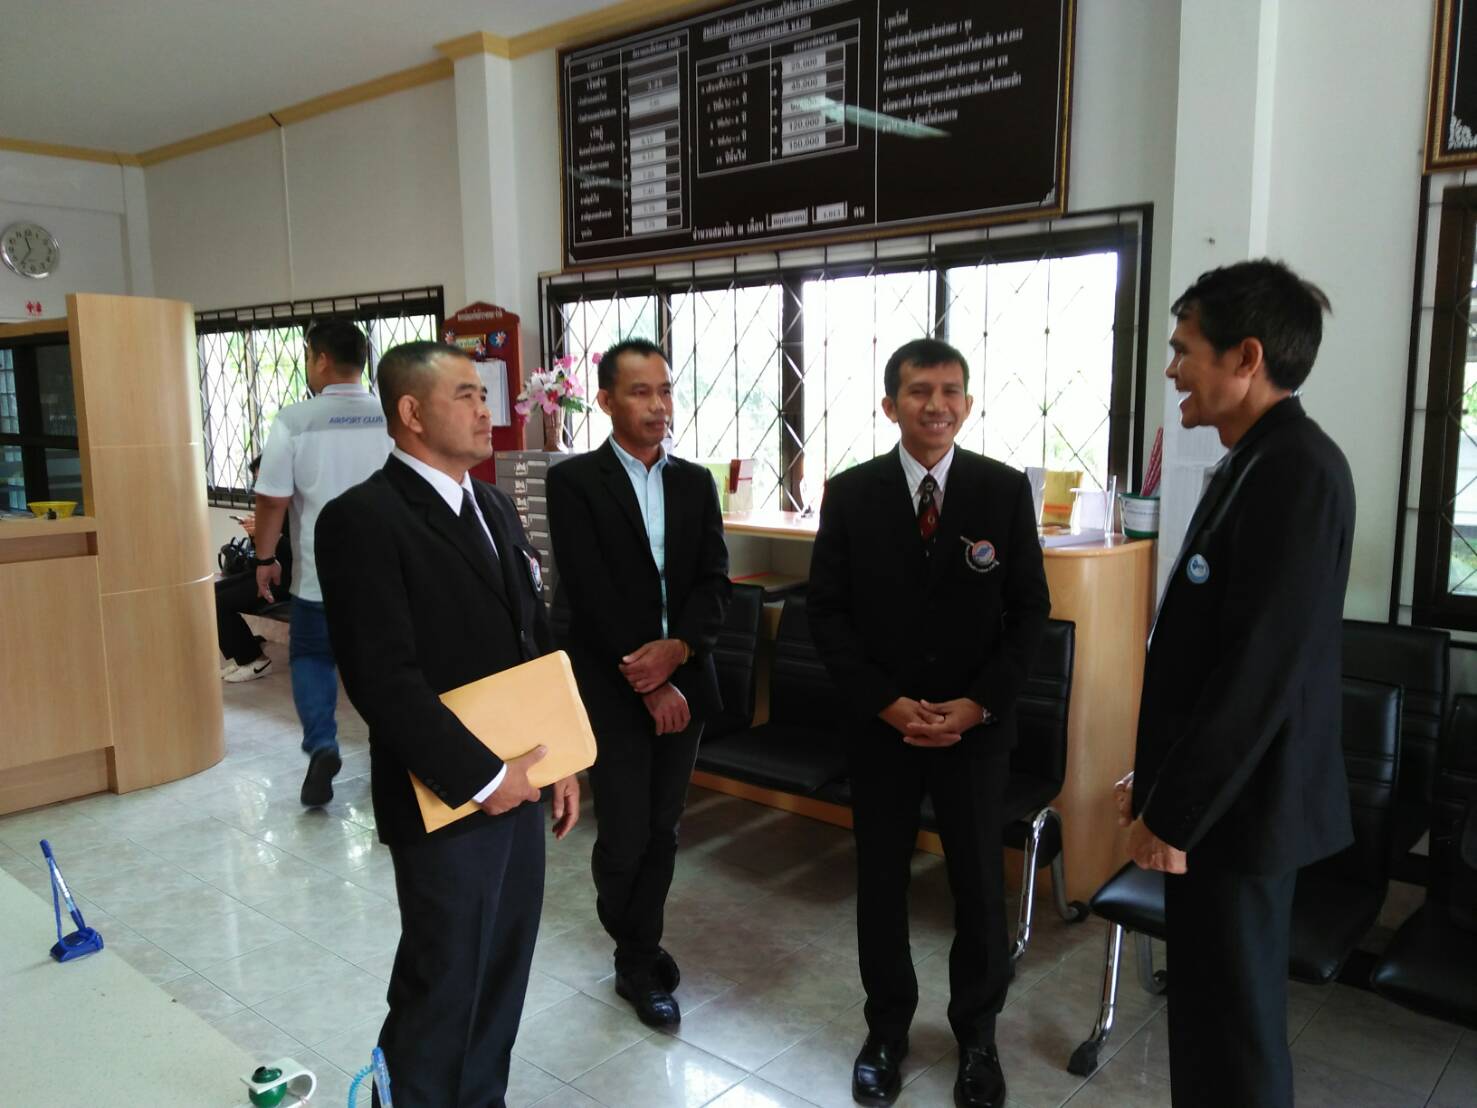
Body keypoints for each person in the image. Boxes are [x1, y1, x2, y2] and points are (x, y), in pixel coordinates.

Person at [315, 340, 580, 1107]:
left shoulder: (492, 505)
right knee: (442, 982)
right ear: (410, 411)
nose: (485, 409)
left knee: (501, 971)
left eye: (484, 394)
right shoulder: (362, 519)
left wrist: (560, 755)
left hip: (521, 780)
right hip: (445, 793)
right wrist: (485, 780)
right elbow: (383, 680)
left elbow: (534, 639)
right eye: (465, 395)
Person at [1118, 259, 1355, 1107]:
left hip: (1239, 812)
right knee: (1208, 1022)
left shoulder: (1296, 470)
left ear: (1245, 356)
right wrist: (1157, 786)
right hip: (1220, 805)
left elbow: (1257, 672)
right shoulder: (1256, 458)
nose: (1172, 369)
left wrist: (1175, 813)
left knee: (1234, 1036)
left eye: (1184, 349)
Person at [808, 338, 1050, 1108]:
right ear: (890, 405)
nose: (935, 405)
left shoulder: (1001, 490)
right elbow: (827, 612)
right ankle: (886, 1030)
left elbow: (1029, 612)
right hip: (881, 727)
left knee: (977, 883)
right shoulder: (851, 493)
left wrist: (978, 704)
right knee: (880, 881)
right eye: (918, 391)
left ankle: (977, 1035)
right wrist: (883, 701)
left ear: (967, 404)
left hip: (973, 730)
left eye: (950, 391)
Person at [546, 337, 730, 1028]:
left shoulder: (694, 482)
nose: (658, 405)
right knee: (624, 831)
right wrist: (646, 680)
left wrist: (678, 654)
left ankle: (639, 946)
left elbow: (713, 581)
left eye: (665, 390)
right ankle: (634, 948)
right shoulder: (574, 482)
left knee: (663, 828)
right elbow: (589, 592)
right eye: (640, 391)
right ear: (605, 400)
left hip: (685, 680)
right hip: (610, 684)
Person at [252, 319, 391, 806]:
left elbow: (272, 499)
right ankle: (392, 755)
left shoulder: (294, 420)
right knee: (386, 664)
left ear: (322, 359)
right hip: (386, 575)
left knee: (313, 657)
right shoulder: (392, 414)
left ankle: (323, 745)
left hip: (320, 575)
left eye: (309, 356)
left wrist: (265, 557)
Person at [216, 455, 292, 682]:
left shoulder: (302, 509)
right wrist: (256, 535)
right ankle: (245, 654)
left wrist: (272, 536)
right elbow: (262, 555)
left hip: (291, 580)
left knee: (219, 602)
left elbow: (304, 555)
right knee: (210, 595)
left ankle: (254, 660)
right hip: (266, 574)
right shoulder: (273, 506)